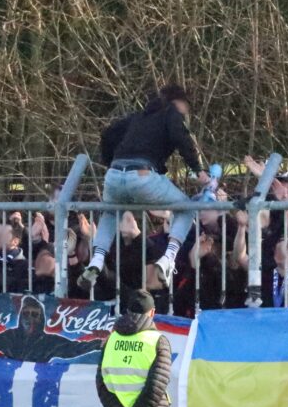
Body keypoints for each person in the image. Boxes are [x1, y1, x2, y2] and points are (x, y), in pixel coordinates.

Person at [81, 84, 209, 290]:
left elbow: (108, 134)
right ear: (178, 102)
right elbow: (181, 137)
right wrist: (198, 169)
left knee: (111, 213)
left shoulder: (137, 117)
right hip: (143, 174)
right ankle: (168, 258)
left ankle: (97, 259)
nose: (187, 114)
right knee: (186, 208)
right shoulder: (171, 112)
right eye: (187, 108)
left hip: (114, 175)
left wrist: (111, 161)